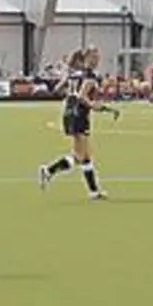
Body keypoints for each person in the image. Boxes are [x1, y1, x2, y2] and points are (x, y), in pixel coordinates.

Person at [39, 47, 115, 199]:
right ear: (86, 59)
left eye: (98, 57)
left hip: (69, 113)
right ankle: (49, 170)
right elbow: (82, 97)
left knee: (84, 155)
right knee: (81, 155)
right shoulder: (90, 76)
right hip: (79, 115)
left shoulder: (74, 74)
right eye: (94, 57)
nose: (97, 61)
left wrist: (69, 94)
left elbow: (57, 88)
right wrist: (97, 106)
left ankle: (94, 192)